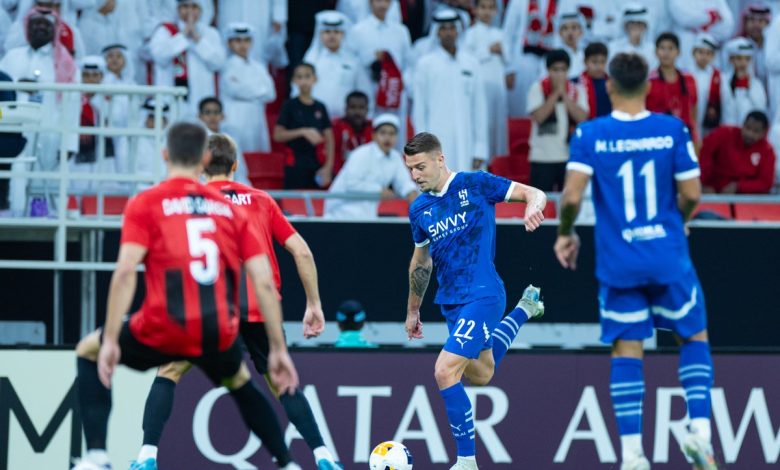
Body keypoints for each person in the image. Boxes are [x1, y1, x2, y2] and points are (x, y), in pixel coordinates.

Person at [70, 122, 301, 470]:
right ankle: (287, 463)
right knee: (240, 383)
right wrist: (278, 349)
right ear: (204, 159)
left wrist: (112, 338)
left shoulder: (146, 203)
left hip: (163, 325)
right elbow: (263, 281)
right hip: (215, 330)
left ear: (165, 155)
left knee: (87, 351)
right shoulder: (231, 209)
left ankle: (100, 457)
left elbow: (124, 273)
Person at [129, 133, 342, 470]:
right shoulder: (261, 200)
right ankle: (322, 455)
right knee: (282, 383)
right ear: (236, 164)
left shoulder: (189, 202)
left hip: (207, 306)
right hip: (259, 306)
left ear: (201, 165)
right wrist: (313, 303)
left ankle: (146, 456)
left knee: (168, 370)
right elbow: (301, 250)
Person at [554, 52, 717, 470]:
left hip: (619, 262)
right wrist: (676, 221)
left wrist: (565, 233)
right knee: (692, 337)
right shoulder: (672, 130)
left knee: (628, 348)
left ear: (609, 87)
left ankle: (632, 456)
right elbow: (695, 194)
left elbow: (571, 197)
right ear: (648, 87)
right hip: (667, 256)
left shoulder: (589, 134)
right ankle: (699, 431)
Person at [403, 132, 547, 470]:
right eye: (410, 169)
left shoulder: (475, 183)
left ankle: (466, 462)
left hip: (483, 294)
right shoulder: (419, 208)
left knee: (444, 370)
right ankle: (525, 309)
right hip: (451, 301)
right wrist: (412, 309)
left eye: (421, 166)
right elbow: (421, 263)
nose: (415, 175)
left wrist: (533, 207)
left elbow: (533, 192)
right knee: (481, 375)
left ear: (440, 159)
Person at [413, 9, 489, 173]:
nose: (448, 33)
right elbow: (419, 110)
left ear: (458, 31)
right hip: (435, 141)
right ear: (437, 32)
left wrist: (480, 148)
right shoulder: (425, 64)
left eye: (452, 28)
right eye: (443, 29)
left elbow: (479, 108)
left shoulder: (471, 63)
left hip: (468, 142)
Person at [324, 114, 417, 219]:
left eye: (392, 134)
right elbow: (351, 183)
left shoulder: (395, 157)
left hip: (367, 216)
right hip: (341, 214)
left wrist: (412, 194)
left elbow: (404, 183)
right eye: (383, 133)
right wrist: (379, 190)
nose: (387, 138)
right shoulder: (361, 153)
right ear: (374, 136)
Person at [346, 0, 413, 147]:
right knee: (369, 134)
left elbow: (408, 64)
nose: (382, 5)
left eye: (386, 1)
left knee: (394, 134)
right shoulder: (358, 30)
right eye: (378, 1)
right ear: (370, 3)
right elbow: (350, 62)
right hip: (368, 92)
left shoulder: (401, 31)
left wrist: (402, 86)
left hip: (393, 95)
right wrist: (372, 61)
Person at [148, 0, 226, 117]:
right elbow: (159, 56)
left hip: (201, 97)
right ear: (178, 9)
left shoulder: (210, 33)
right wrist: (182, 36)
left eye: (194, 7)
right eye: (185, 6)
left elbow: (218, 63)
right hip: (171, 96)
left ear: (201, 10)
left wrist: (197, 40)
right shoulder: (165, 31)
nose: (190, 11)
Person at [527, 49, 589, 192]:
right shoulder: (537, 88)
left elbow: (582, 118)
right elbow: (539, 116)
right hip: (542, 157)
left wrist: (565, 96)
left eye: (563, 70)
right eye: (555, 70)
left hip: (569, 157)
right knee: (539, 206)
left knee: (567, 205)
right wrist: (556, 94)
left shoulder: (576, 90)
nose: (559, 74)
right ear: (548, 70)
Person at [273, 63, 335, 189]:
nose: (304, 81)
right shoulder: (289, 105)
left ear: (314, 79)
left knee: (317, 205)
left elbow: (329, 138)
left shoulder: (320, 107)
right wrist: (302, 132)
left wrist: (328, 167)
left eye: (307, 76)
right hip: (295, 166)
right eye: (299, 77)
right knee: (294, 205)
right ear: (294, 81)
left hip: (317, 165)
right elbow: (277, 135)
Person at [303, 10, 371, 121]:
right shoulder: (311, 61)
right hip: (315, 121)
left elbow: (364, 91)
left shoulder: (353, 62)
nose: (332, 36)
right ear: (320, 34)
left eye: (336, 32)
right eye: (327, 32)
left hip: (347, 123)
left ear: (343, 34)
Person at [463, 0, 509, 158]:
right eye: (483, 7)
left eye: (491, 8)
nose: (487, 12)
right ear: (475, 10)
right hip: (481, 86)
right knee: (482, 122)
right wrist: (488, 50)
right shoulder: (470, 33)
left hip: (498, 85)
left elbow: (509, 60)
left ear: (496, 11)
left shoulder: (500, 33)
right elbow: (466, 59)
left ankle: (497, 160)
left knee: (497, 125)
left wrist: (502, 51)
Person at [220, 22, 276, 154]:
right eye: (237, 40)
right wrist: (259, 91)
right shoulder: (226, 65)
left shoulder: (259, 66)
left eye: (246, 40)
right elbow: (234, 90)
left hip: (256, 118)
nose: (242, 45)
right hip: (235, 117)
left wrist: (247, 90)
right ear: (229, 43)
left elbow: (271, 94)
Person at [503, 0, 558, 117]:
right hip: (522, 60)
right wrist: (509, 68)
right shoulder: (518, 2)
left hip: (547, 61)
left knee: (544, 107)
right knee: (521, 108)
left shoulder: (557, 3)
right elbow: (508, 35)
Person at [700, 111, 776, 194]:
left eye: (756, 131)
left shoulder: (767, 151)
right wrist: (703, 184)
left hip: (746, 198)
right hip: (714, 191)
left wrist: (739, 186)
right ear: (743, 125)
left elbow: (766, 183)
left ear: (764, 133)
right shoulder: (724, 133)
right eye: (748, 128)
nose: (749, 134)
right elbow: (703, 154)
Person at [646, 32, 699, 143]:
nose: (666, 53)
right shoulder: (648, 82)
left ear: (678, 52)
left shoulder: (689, 79)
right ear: (656, 52)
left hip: (684, 137)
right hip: (658, 139)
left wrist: (695, 138)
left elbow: (693, 110)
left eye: (671, 48)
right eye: (662, 48)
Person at [667, 0, 734, 70]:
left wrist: (697, 25)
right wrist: (710, 17)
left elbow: (727, 25)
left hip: (709, 44)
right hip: (686, 46)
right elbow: (684, 18)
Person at [720, 37, 767, 126]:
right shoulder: (722, 81)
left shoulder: (756, 84)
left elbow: (760, 110)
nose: (743, 63)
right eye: (739, 58)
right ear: (731, 60)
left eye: (747, 59)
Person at [331, 91, 373, 176]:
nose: (357, 112)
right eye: (353, 107)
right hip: (340, 176)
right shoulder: (335, 127)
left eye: (361, 107)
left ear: (367, 110)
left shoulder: (375, 129)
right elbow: (328, 156)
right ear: (345, 109)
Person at [608, 4, 658, 70]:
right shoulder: (613, 47)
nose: (636, 27)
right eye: (632, 24)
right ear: (625, 26)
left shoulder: (652, 49)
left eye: (639, 24)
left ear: (645, 27)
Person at [690, 33, 722, 138]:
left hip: (709, 122)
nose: (704, 57)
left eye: (708, 53)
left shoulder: (718, 76)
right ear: (693, 53)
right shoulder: (686, 73)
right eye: (701, 52)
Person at [578, 41, 612, 118]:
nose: (599, 66)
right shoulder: (576, 83)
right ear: (585, 62)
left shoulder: (613, 84)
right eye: (594, 62)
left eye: (602, 62)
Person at [555, 11, 586, 79]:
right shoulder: (553, 56)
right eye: (565, 28)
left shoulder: (586, 55)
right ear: (560, 33)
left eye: (574, 28)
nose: (570, 32)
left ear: (581, 32)